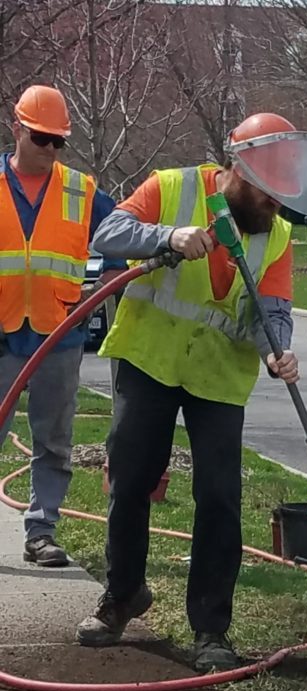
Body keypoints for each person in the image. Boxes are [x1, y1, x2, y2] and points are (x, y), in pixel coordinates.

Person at [76, 112, 307, 672]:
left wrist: (276, 349)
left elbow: (274, 310)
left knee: (219, 498)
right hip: (150, 361)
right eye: (268, 193)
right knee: (131, 481)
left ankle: (211, 628)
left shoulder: (277, 234)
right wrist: (166, 236)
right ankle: (122, 597)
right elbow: (106, 235)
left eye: (284, 195)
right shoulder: (171, 187)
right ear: (236, 171)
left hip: (218, 377)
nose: (276, 205)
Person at [0, 85, 124, 567]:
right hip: (3, 334)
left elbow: (120, 229)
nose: (50, 150)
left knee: (53, 438)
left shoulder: (81, 189)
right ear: (16, 130)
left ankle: (42, 530)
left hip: (58, 333)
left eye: (58, 141)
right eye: (40, 138)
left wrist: (112, 271)